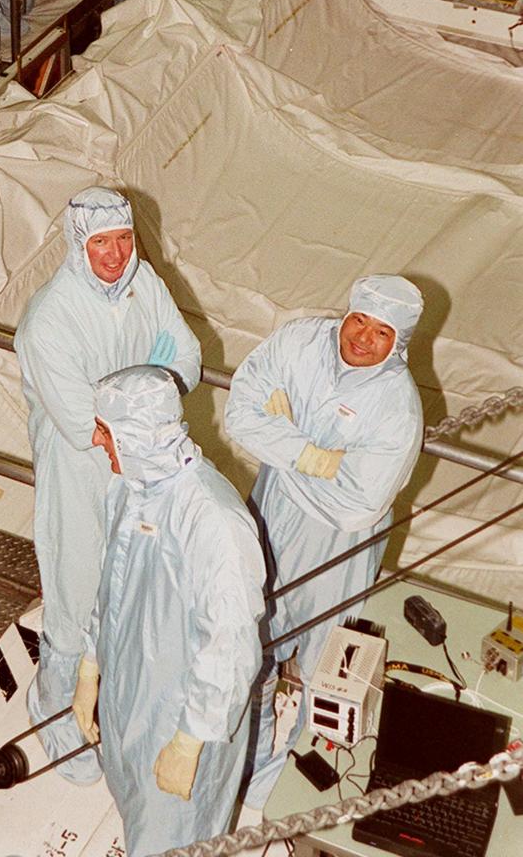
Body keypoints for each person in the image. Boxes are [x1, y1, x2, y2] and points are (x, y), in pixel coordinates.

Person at [14, 186, 202, 782]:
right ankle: (52, 706)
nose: (116, 254)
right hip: (80, 467)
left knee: (125, 576)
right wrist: (146, 402)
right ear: (78, 244)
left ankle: (98, 692)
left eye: (124, 239)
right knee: (76, 582)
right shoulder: (51, 317)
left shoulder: (145, 282)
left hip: (135, 458)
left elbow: (186, 356)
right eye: (102, 243)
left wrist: (136, 405)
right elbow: (82, 423)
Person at [224, 274, 425, 809]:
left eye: (382, 332)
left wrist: (285, 447)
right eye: (359, 319)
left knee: (324, 671)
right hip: (271, 516)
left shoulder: (398, 409)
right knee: (253, 644)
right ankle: (246, 760)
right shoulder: (299, 342)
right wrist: (321, 461)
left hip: (338, 548)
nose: (362, 337)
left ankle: (290, 788)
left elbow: (359, 503)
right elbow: (238, 415)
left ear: (398, 343)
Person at [72, 365, 266, 857]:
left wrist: (189, 741)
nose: (97, 441)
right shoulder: (129, 484)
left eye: (104, 430)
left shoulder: (213, 521)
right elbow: (109, 584)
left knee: (177, 837)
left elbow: (232, 645)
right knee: (137, 806)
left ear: (135, 435)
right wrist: (91, 664)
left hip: (180, 716)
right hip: (130, 696)